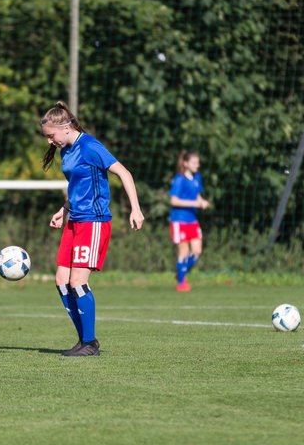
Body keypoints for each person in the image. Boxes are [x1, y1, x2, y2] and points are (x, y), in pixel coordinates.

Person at [40, 101, 144, 357]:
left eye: (51, 136)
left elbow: (125, 173)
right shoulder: (66, 150)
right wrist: (63, 210)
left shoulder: (90, 147)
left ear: (65, 128)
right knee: (62, 281)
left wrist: (136, 209)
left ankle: (89, 343)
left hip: (94, 221)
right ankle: (84, 340)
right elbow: (78, 188)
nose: (50, 142)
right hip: (74, 221)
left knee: (77, 282)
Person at [169, 150, 209, 291]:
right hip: (179, 221)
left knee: (197, 251)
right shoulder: (180, 179)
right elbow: (173, 200)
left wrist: (202, 201)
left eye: (198, 163)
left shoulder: (197, 177)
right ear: (185, 163)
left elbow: (196, 195)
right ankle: (181, 283)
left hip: (192, 220)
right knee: (184, 252)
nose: (197, 165)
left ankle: (181, 273)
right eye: (194, 163)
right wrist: (194, 204)